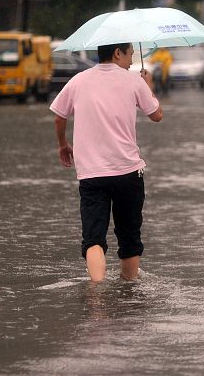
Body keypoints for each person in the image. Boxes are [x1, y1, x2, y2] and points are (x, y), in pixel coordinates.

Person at [50, 42, 163, 283]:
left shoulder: (78, 81)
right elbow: (157, 115)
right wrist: (148, 86)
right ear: (117, 53)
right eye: (130, 54)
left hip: (91, 175)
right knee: (129, 237)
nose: (132, 61)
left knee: (93, 239)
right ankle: (129, 288)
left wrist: (63, 144)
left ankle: (96, 294)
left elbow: (59, 116)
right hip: (128, 173)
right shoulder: (134, 81)